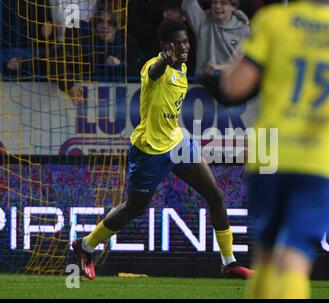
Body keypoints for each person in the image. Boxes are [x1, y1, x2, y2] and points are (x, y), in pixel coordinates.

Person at [213, 0, 329, 298]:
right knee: (293, 261)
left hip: (269, 153)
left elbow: (234, 87)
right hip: (322, 159)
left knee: (265, 258)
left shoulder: (274, 20)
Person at [72, 20, 254, 280]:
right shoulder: (154, 67)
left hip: (177, 143)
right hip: (148, 151)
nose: (183, 46)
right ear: (165, 46)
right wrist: (163, 60)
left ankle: (229, 263)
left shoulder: (182, 68)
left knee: (215, 196)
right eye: (177, 43)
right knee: (134, 208)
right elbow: (155, 72)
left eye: (186, 42)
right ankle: (85, 245)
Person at [181, 0, 250, 76]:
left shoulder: (244, 30)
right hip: (202, 81)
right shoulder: (202, 20)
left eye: (223, 3)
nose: (217, 6)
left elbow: (246, 65)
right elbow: (188, 5)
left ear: (233, 7)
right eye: (214, 3)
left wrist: (220, 68)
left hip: (230, 81)